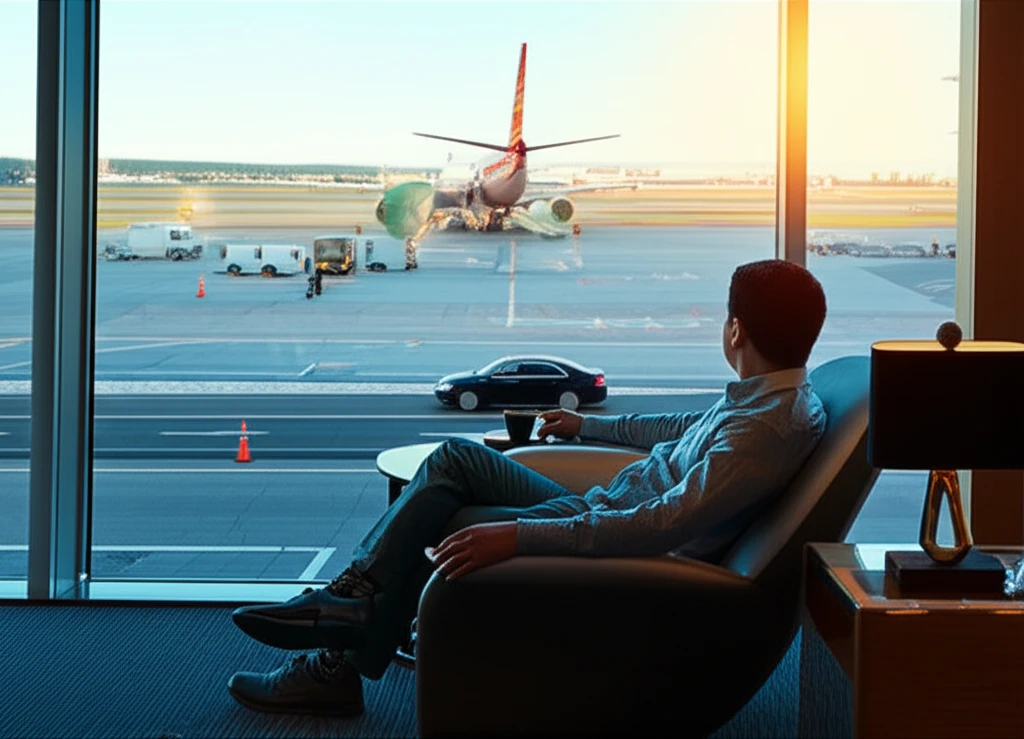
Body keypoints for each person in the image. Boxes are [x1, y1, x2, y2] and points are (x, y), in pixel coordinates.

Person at [226, 259, 829, 717]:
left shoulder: (764, 429)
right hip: (600, 506)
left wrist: (518, 537)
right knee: (457, 459)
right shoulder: (769, 401)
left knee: (441, 512)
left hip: (616, 543)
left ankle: (339, 649)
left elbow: (659, 526)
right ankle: (350, 604)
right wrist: (589, 424)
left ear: (734, 330)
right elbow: (677, 428)